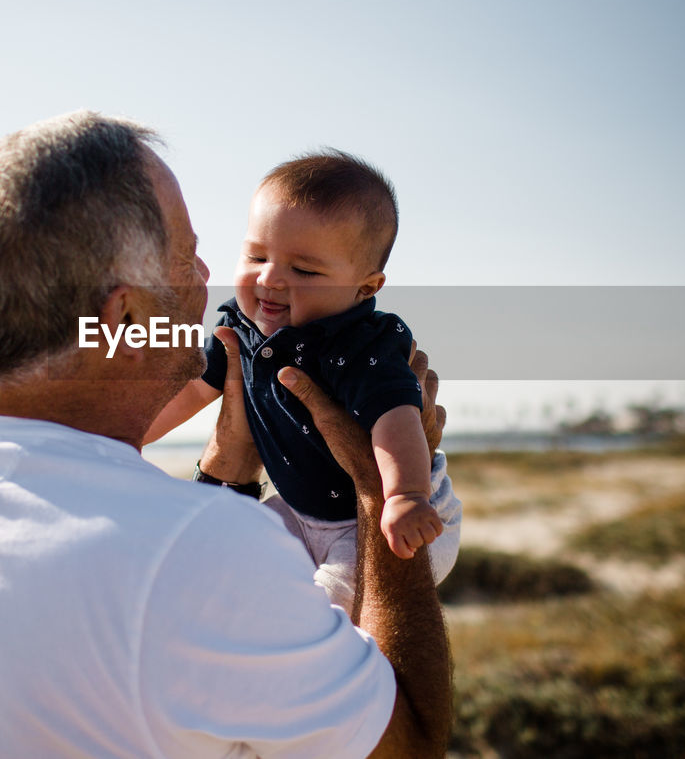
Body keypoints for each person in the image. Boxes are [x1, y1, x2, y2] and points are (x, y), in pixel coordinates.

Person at [0, 111, 453, 758]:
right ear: (126, 315)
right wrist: (378, 491)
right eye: (187, 257)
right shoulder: (201, 553)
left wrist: (224, 474)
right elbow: (412, 746)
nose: (213, 279)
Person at [145, 150, 462, 609]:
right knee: (229, 571)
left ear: (366, 287)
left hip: (383, 515)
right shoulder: (239, 327)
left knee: (328, 607)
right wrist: (127, 439)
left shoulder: (361, 343)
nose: (270, 279)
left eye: (304, 270)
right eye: (256, 256)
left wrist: (406, 495)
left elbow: (396, 418)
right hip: (298, 509)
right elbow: (191, 389)